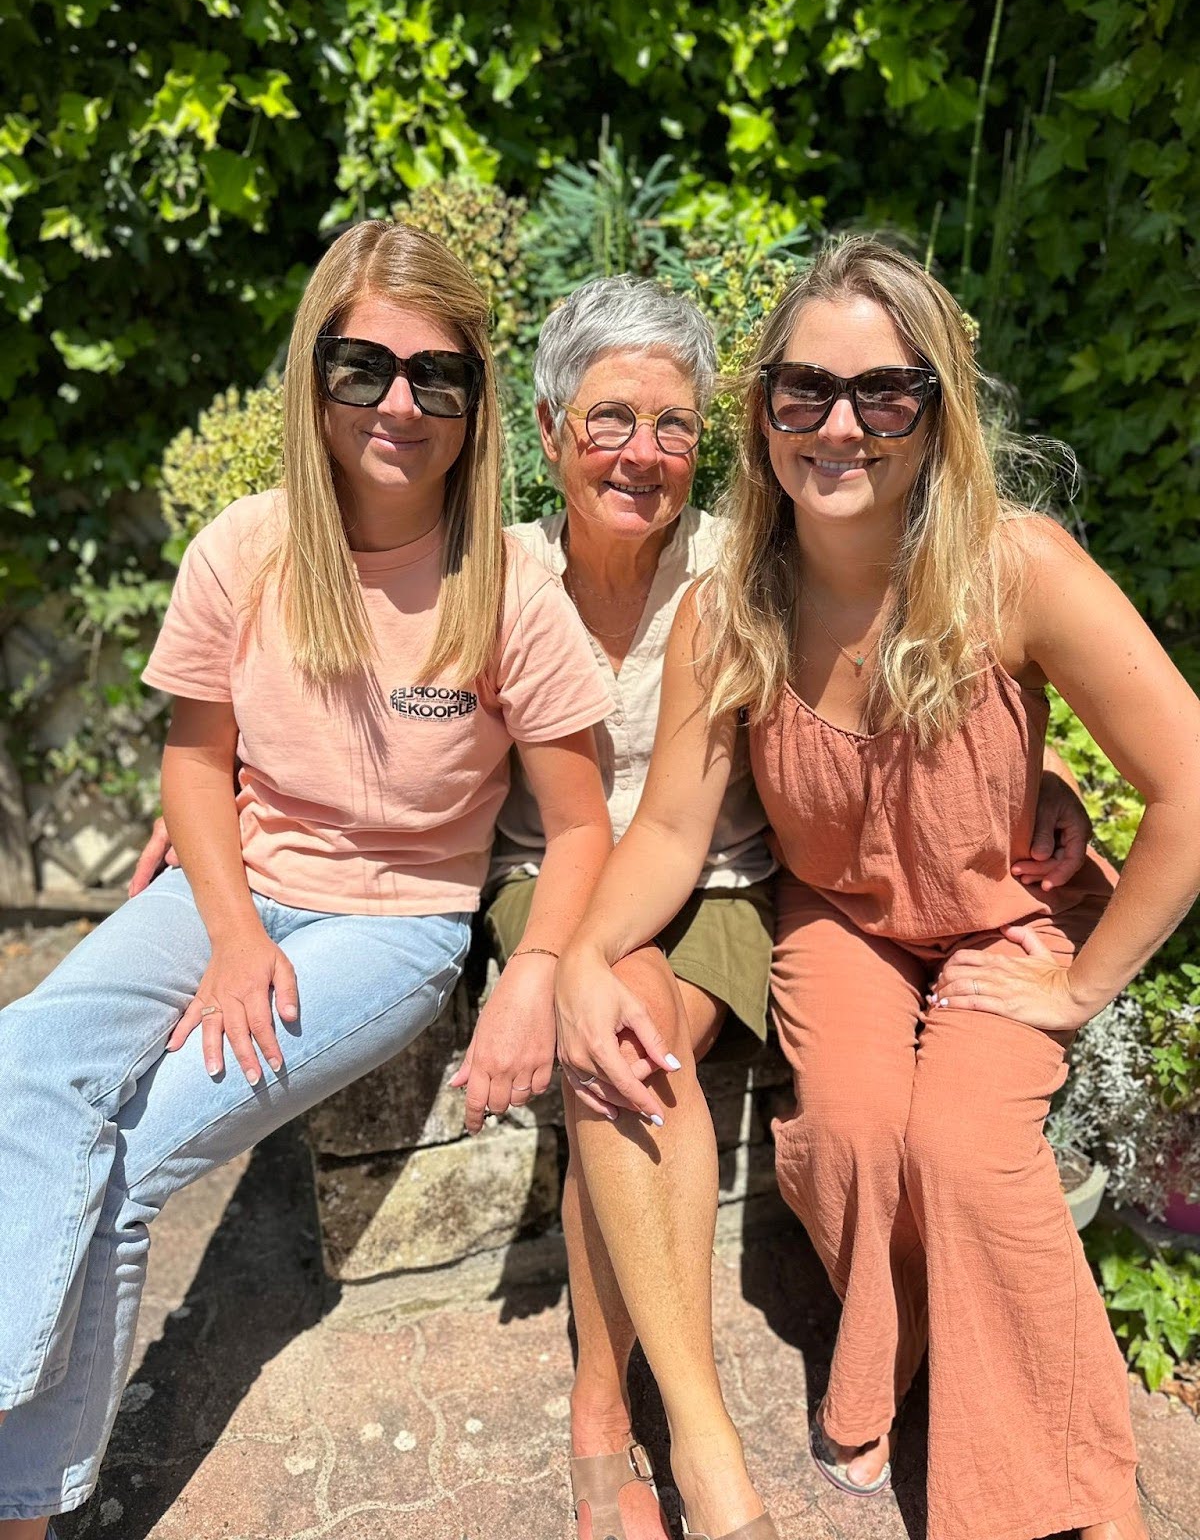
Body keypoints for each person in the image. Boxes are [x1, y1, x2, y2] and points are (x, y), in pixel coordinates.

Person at [124, 271, 1095, 1540]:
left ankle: (617, 1426)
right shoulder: (494, 570)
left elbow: (909, 661)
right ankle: (686, 1445)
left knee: (623, 1030)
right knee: (619, 1034)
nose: (644, 455)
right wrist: (218, 778)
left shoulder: (746, 561)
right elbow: (339, 697)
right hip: (553, 876)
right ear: (546, 430)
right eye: (610, 421)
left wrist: (1048, 765)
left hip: (729, 884)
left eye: (675, 425)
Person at [555, 236, 1200, 1540]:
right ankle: (893, 1366)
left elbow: (1189, 782)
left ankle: (1080, 1497)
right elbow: (675, 832)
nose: (840, 426)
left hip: (1003, 923)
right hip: (841, 919)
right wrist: (576, 958)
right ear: (764, 410)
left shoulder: (1015, 570)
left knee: (966, 1150)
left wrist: (1081, 984)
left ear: (936, 410)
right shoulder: (730, 610)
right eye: (806, 392)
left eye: (883, 394)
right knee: (847, 1140)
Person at [0, 220, 615, 1540]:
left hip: (391, 927)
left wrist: (538, 977)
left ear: (475, 401)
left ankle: (22, 1510)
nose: (399, 402)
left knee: (133, 1160)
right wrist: (227, 934)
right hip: (230, 887)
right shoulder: (249, 545)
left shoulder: (510, 593)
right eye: (364, 368)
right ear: (315, 374)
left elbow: (579, 831)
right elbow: (195, 760)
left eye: (436, 376)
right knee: (27, 1065)